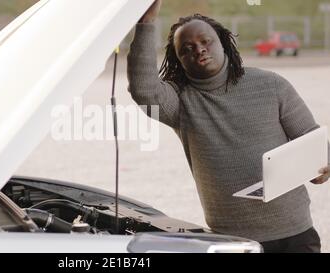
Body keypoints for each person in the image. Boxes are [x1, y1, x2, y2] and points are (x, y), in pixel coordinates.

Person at [127, 0, 330, 253]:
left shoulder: (271, 84)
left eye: (205, 41)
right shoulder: (179, 103)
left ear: (223, 42)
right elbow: (143, 90)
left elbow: (309, 136)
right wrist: (146, 24)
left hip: (295, 232)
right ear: (179, 60)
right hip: (233, 240)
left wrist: (322, 165)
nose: (198, 50)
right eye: (186, 49)